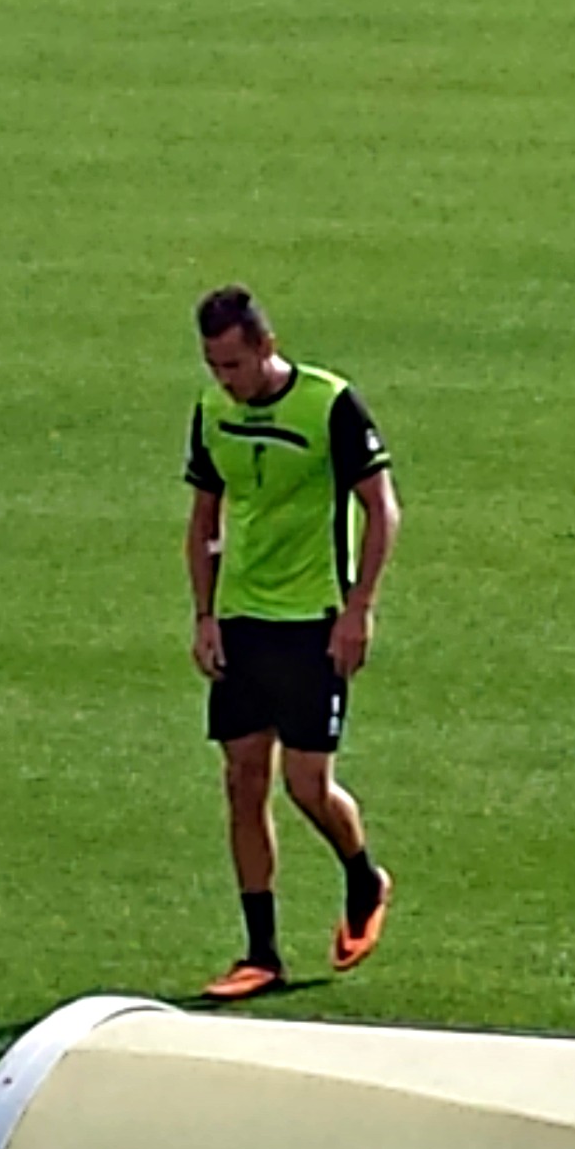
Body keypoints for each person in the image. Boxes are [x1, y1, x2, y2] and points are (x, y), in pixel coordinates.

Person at [184, 286, 402, 1002]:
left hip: (313, 617)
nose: (226, 380)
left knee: (306, 785)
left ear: (266, 347)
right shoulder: (213, 414)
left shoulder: (330, 404)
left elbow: (380, 509)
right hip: (243, 619)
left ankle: (363, 876)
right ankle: (261, 952)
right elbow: (204, 517)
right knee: (242, 781)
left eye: (235, 363)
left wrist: (359, 609)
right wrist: (205, 615)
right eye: (214, 365)